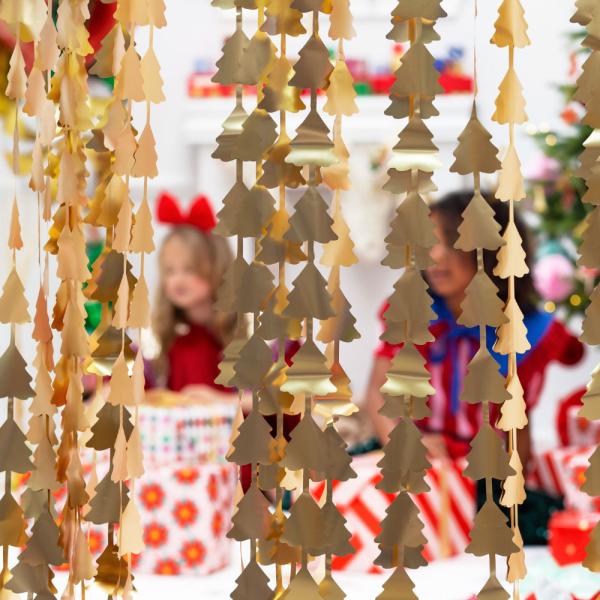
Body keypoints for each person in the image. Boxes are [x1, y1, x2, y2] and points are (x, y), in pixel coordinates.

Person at [365, 190, 585, 471]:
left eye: (452, 243)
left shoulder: (523, 331)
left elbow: (518, 427)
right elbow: (378, 394)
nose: (436, 256)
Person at [148, 191, 245, 407]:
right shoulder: (173, 339)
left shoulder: (247, 329)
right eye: (170, 271)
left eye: (190, 269)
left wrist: (224, 401)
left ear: (217, 268)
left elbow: (283, 400)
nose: (178, 280)